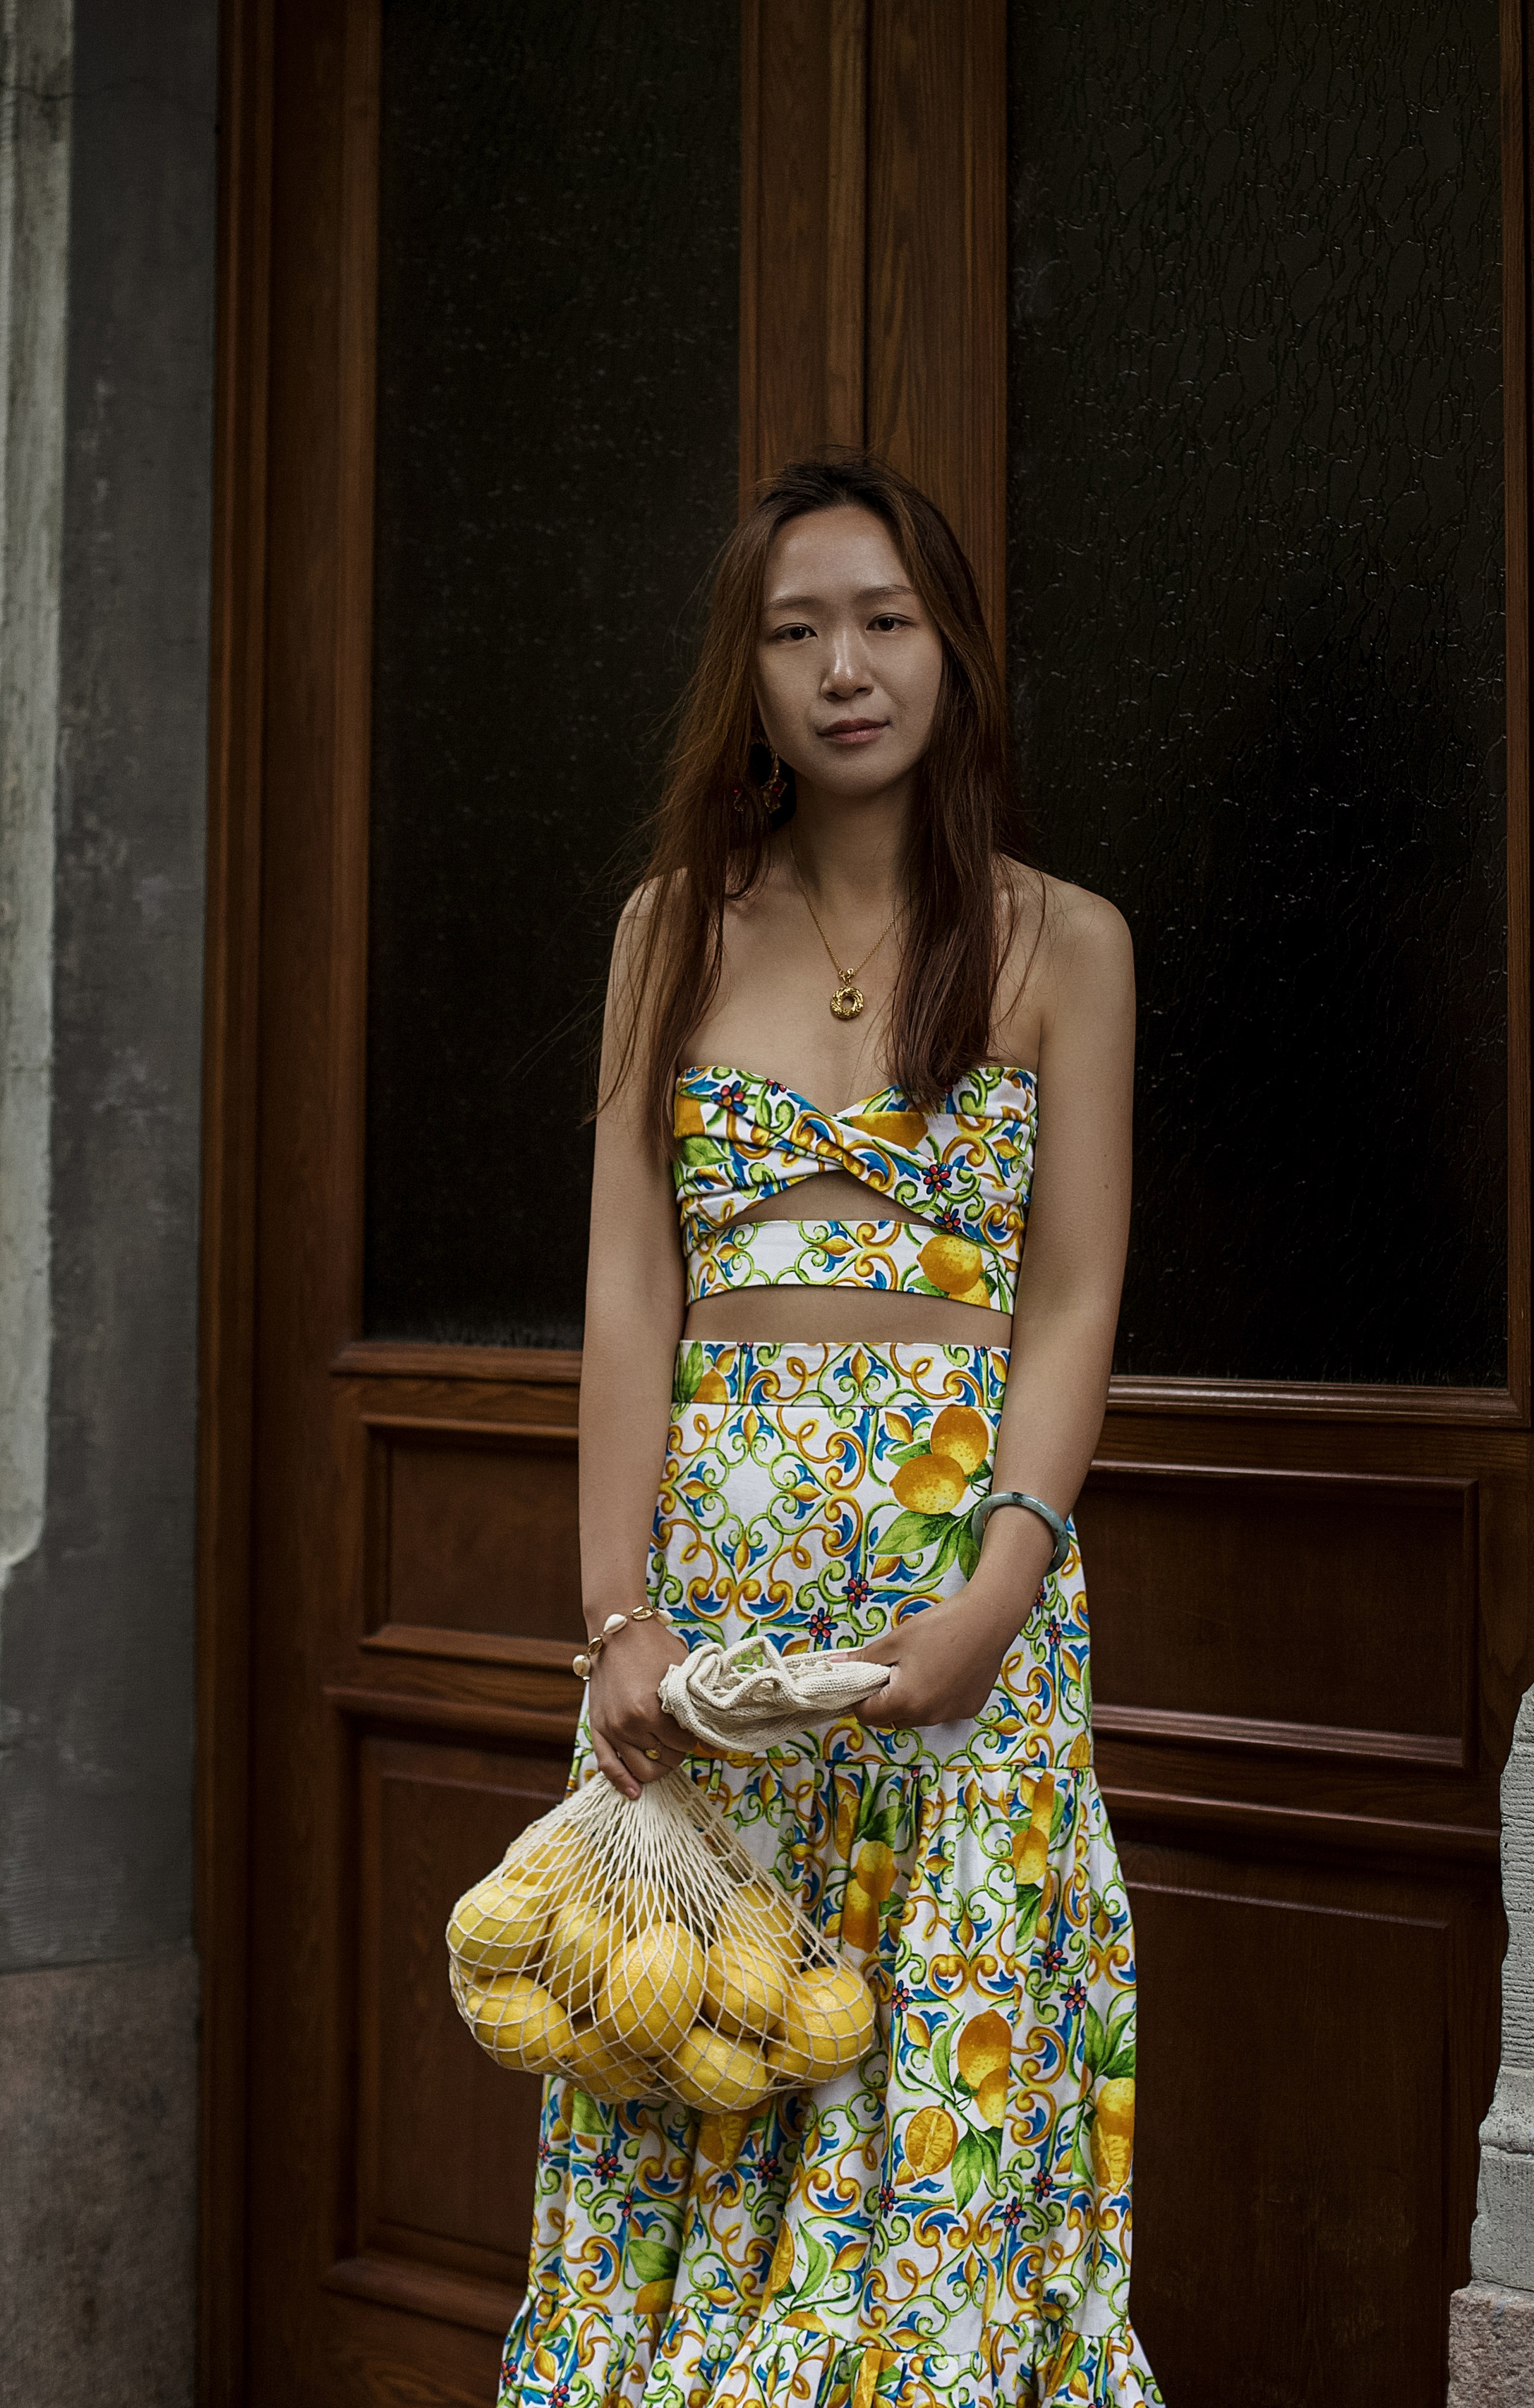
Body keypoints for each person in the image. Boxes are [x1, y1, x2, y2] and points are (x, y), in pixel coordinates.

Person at [498, 454, 1164, 2408]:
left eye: (884, 621)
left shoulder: (1071, 946)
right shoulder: (668, 932)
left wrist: (998, 1594)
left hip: (959, 1617)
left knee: (934, 2127)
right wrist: (617, 1614)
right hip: (712, 1637)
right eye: (798, 633)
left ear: (948, 646)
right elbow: (633, 1290)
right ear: (752, 671)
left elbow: (1073, 1299)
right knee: (691, 2085)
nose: (846, 668)